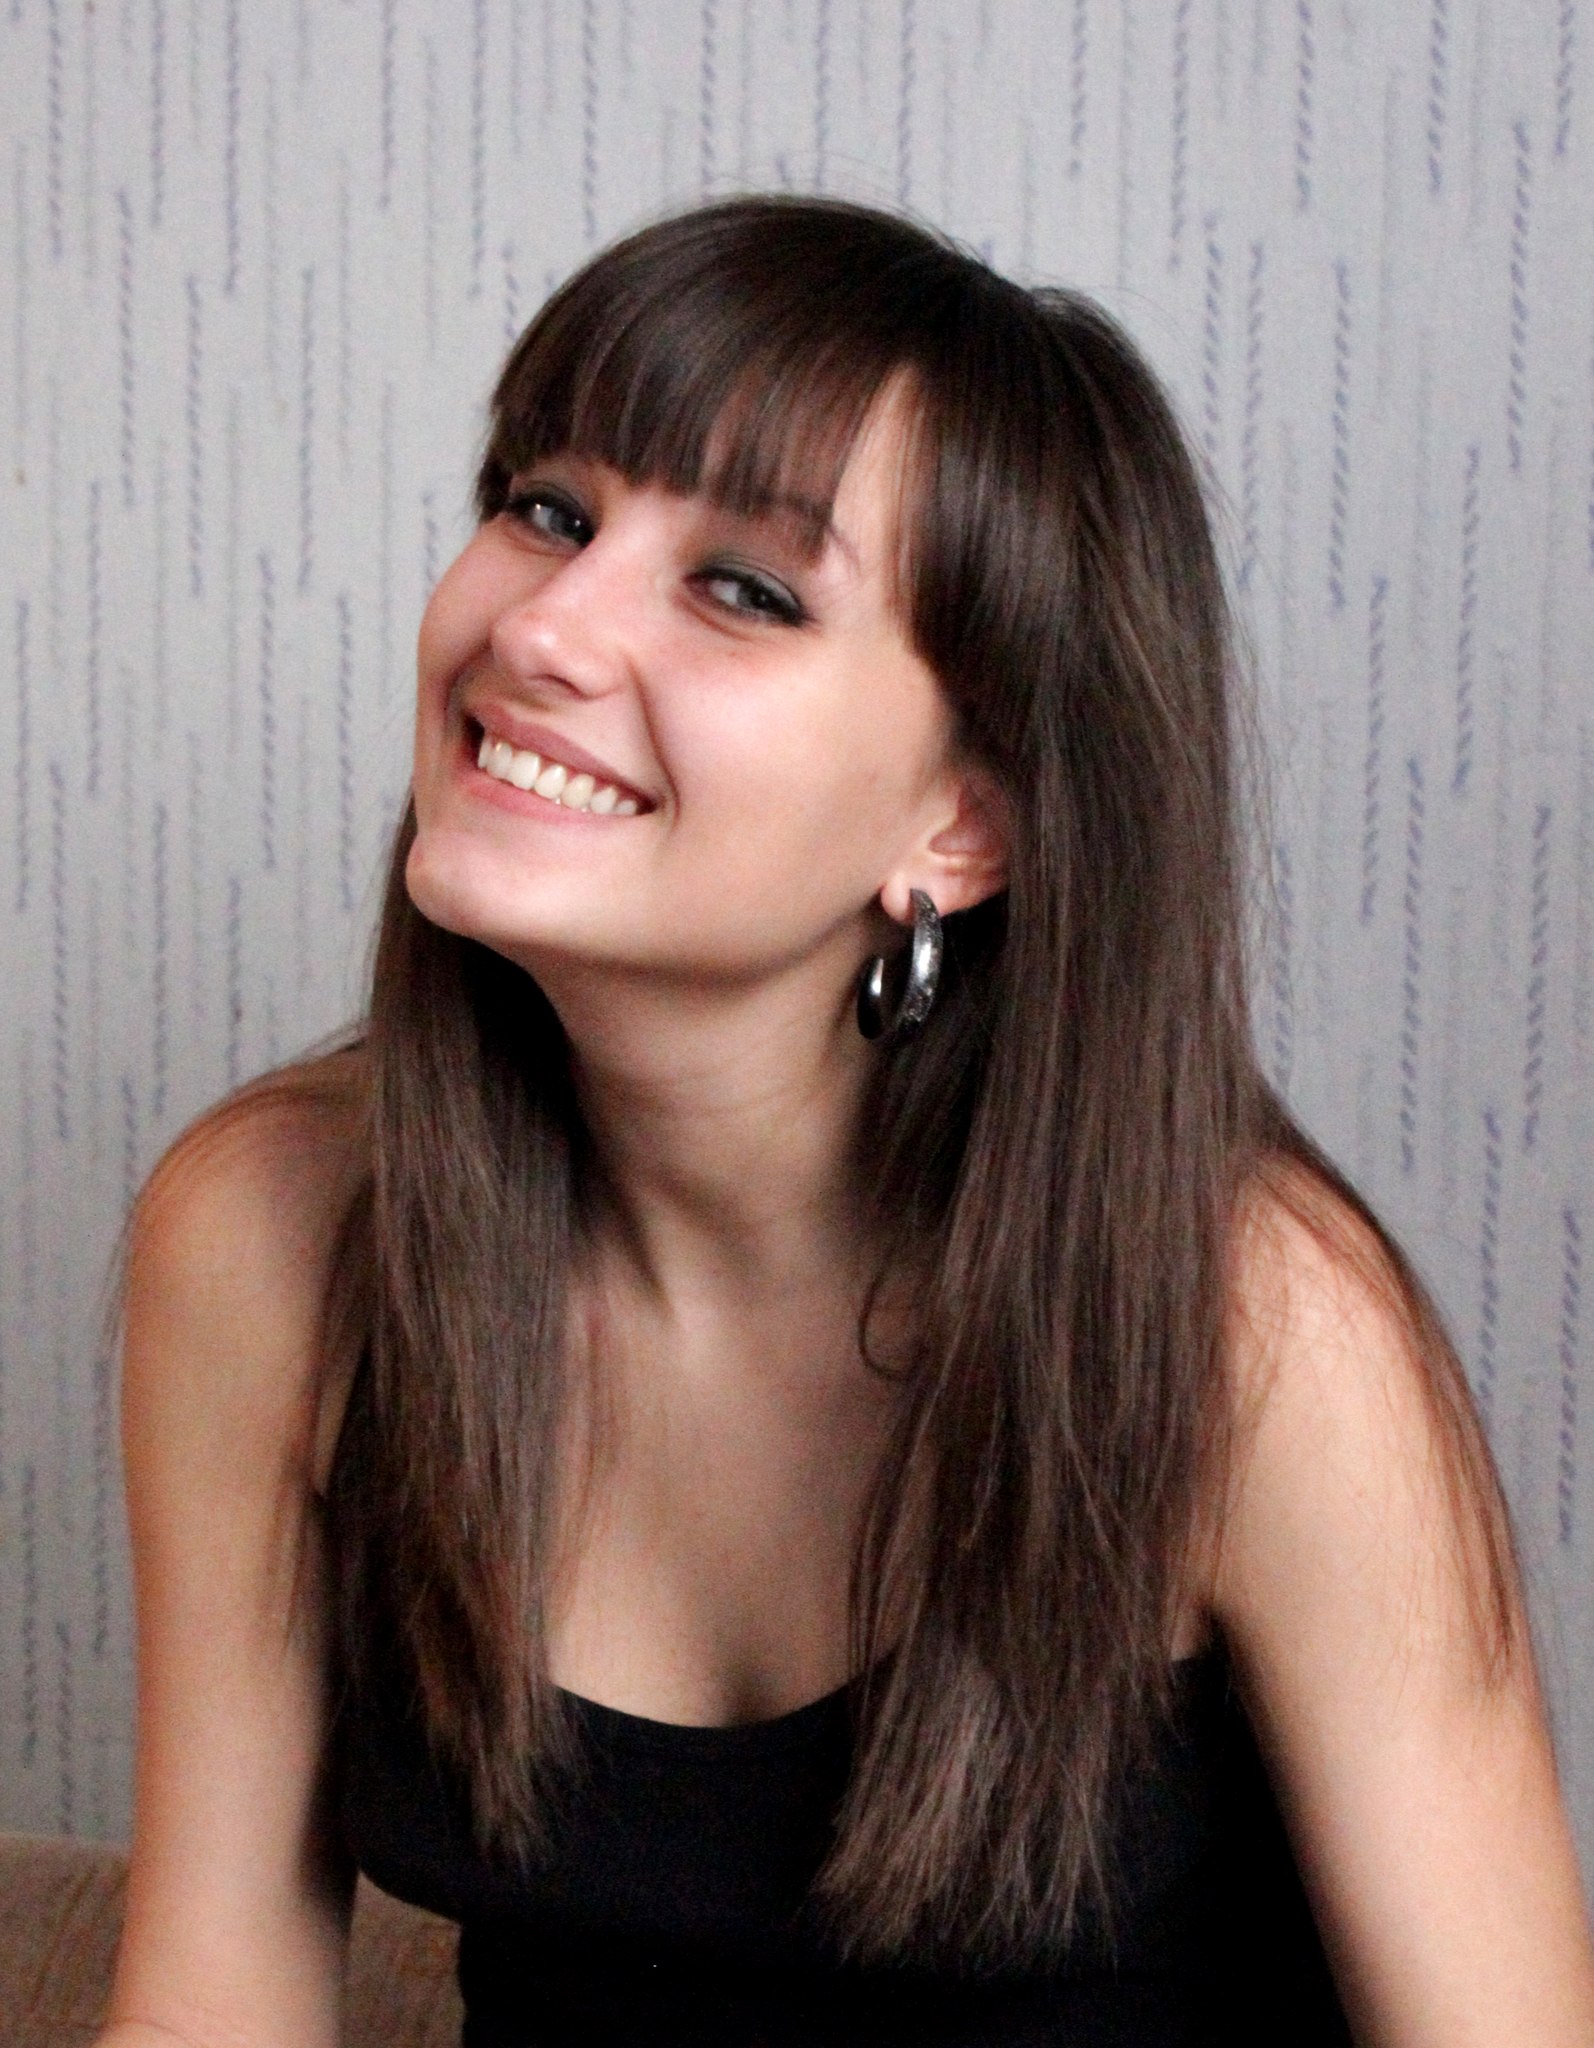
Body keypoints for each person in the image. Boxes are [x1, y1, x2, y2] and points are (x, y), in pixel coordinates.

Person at [101, 195, 1594, 2048]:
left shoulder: (1259, 1331)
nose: (544, 625)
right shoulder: (267, 1234)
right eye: (546, 508)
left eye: (743, 589)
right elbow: (212, 2000)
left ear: (963, 823)